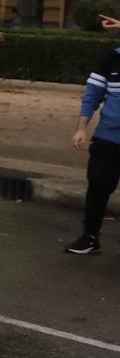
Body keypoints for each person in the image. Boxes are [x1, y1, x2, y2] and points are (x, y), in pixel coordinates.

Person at [67, 39, 120, 255]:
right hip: (108, 137)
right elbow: (92, 95)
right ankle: (90, 237)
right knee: (98, 187)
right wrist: (81, 128)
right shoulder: (111, 58)